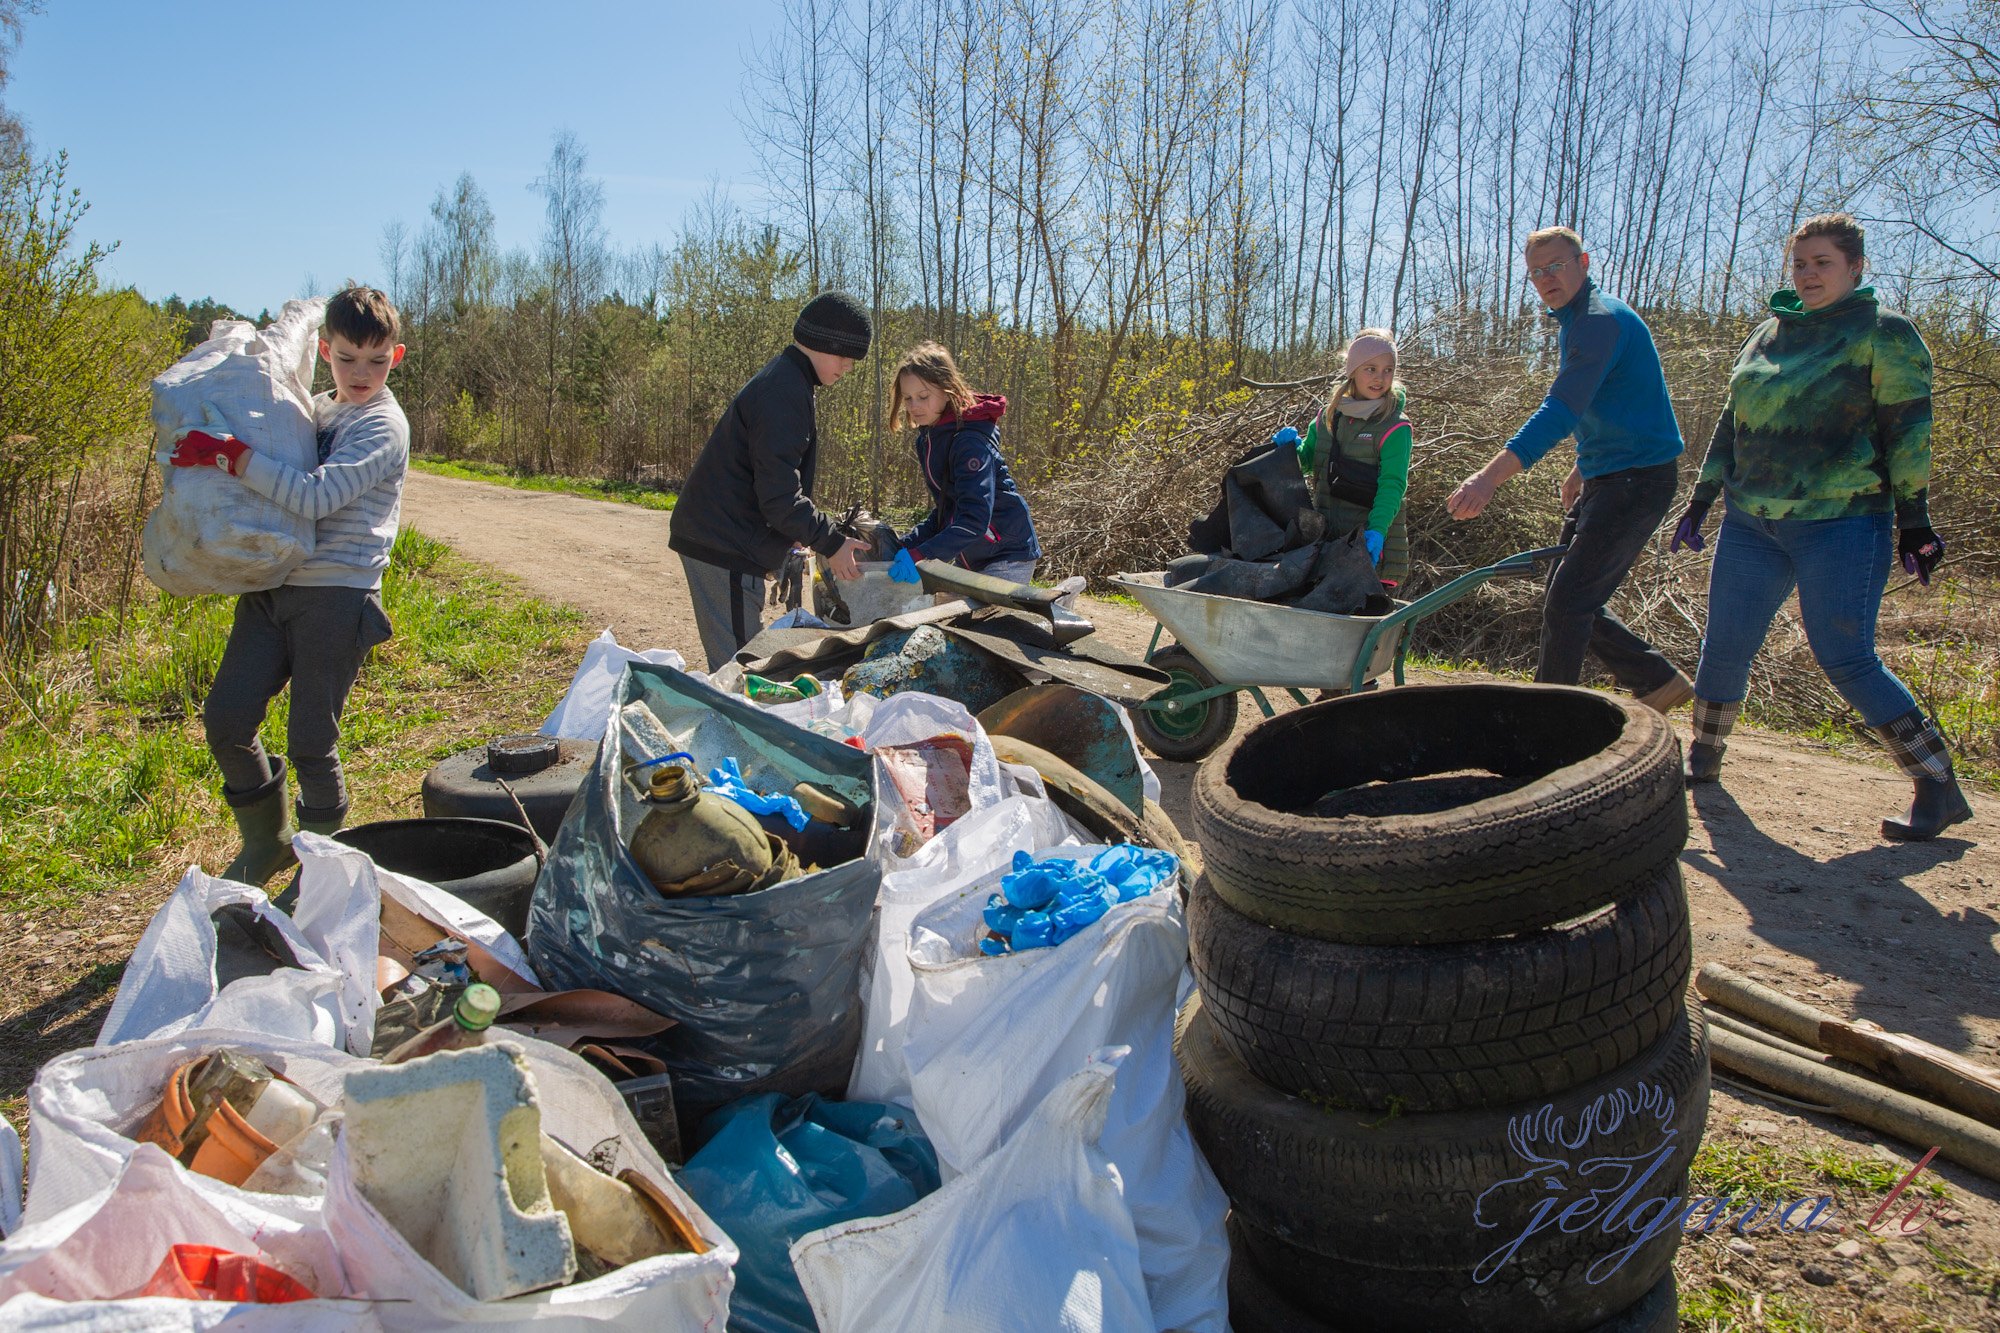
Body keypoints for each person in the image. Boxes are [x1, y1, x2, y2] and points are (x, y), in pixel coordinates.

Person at [1672, 213, 1969, 842]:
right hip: (1753, 520)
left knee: (1845, 656)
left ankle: (1936, 784)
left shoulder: (1884, 333)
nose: (1807, 274)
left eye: (1822, 263)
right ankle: (1702, 759)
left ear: (1855, 267)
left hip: (1843, 521)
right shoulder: (1767, 334)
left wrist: (1914, 519)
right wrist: (1701, 497)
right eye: (1800, 263)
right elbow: (1733, 421)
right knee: (1724, 644)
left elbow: (1909, 429)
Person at [169, 285, 410, 885]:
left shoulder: (384, 427)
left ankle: (323, 870)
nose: (361, 373)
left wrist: (231, 458)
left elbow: (316, 496)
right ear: (325, 349)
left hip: (336, 595)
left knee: (310, 742)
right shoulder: (319, 409)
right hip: (272, 581)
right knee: (226, 717)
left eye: (376, 361)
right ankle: (268, 841)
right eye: (348, 358)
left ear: (395, 357)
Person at [1446, 226, 1694, 713]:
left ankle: (1546, 721)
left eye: (1555, 266)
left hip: (1637, 481)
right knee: (1569, 599)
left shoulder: (1598, 322)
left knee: (1568, 602)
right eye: (1536, 272)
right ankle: (1656, 681)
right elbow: (1611, 404)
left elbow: (1560, 409)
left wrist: (1488, 478)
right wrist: (1584, 466)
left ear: (1583, 263)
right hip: (1611, 475)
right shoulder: (1581, 320)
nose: (1545, 278)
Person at [669, 292, 874, 669]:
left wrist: (795, 532)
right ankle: (735, 723)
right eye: (845, 355)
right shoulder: (784, 390)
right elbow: (780, 496)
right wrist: (830, 541)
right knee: (742, 666)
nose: (848, 367)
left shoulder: (789, 380)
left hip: (724, 536)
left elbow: (772, 482)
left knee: (744, 657)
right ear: (821, 342)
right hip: (723, 541)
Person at [890, 341, 1041, 583]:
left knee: (991, 619)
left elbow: (974, 518)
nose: (914, 406)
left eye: (923, 396)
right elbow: (947, 511)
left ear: (947, 389)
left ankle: (1055, 605)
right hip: (972, 555)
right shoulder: (928, 440)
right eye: (907, 398)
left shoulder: (969, 442)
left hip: (1006, 555)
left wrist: (921, 555)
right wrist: (905, 545)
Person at [1293, 329, 1414, 589]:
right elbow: (1306, 461)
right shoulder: (1328, 417)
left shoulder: (1395, 427)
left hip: (1373, 552)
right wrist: (1288, 450)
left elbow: (1393, 485)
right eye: (1370, 369)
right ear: (1353, 370)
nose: (1380, 378)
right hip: (1329, 547)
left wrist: (1377, 532)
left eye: (1388, 370)